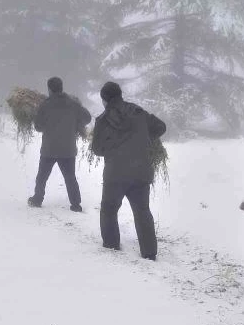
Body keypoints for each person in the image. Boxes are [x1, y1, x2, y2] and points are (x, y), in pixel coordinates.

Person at [91, 82, 166, 261]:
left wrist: (112, 146)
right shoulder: (138, 112)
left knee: (109, 209)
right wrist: (146, 138)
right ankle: (149, 252)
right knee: (142, 211)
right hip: (141, 171)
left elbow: (97, 149)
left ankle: (111, 244)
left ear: (105, 99)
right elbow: (161, 127)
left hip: (115, 174)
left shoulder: (102, 120)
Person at [28, 77, 91, 212]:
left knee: (42, 176)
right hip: (67, 149)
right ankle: (76, 205)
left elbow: (38, 126)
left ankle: (37, 199)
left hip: (49, 149)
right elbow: (87, 118)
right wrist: (75, 123)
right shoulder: (73, 104)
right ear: (62, 87)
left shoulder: (45, 105)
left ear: (49, 89)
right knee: (70, 178)